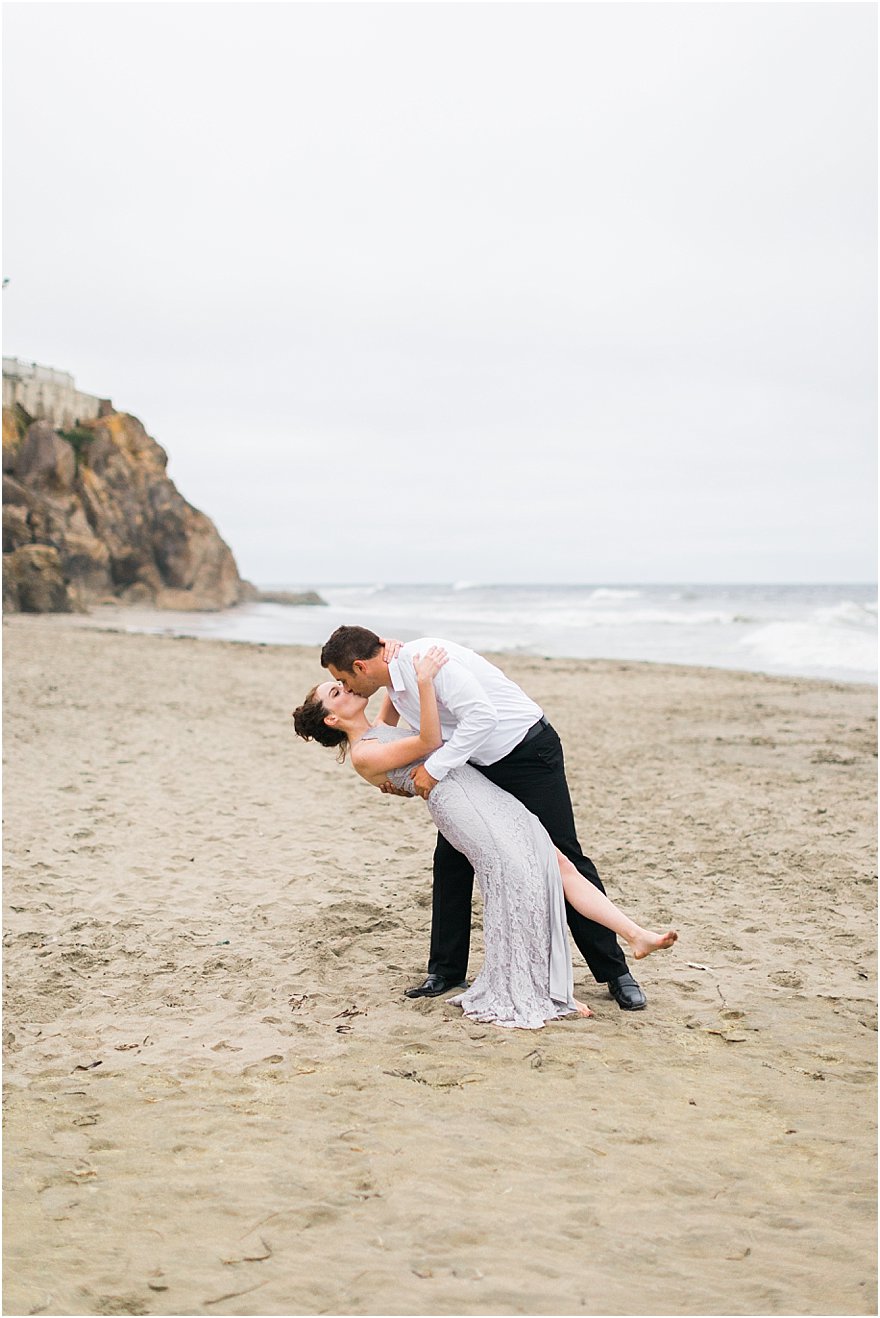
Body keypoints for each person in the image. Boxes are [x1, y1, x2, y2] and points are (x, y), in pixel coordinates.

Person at [293, 645, 677, 1030]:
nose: (346, 687)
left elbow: (384, 694)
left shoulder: (380, 713)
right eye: (337, 689)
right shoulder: (367, 748)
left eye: (343, 680)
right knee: (481, 874)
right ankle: (463, 973)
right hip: (462, 791)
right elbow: (423, 742)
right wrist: (418, 680)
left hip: (513, 759)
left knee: (561, 861)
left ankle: (619, 964)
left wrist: (387, 654)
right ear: (330, 718)